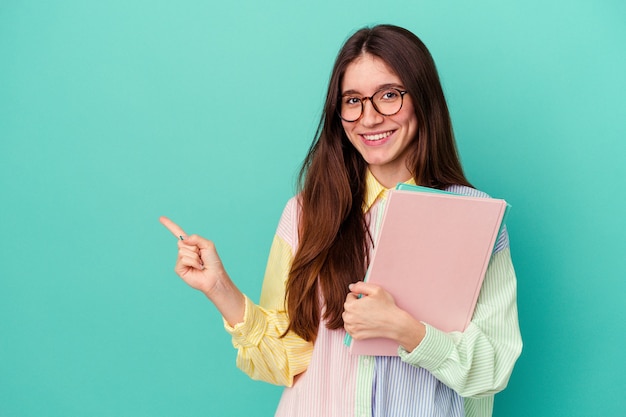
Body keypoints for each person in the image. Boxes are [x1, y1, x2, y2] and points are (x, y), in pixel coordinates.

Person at [160, 24, 522, 417]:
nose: (368, 118)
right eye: (353, 101)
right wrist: (220, 289)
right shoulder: (305, 214)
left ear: (423, 100)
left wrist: (407, 331)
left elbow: (494, 367)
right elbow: (285, 359)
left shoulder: (475, 217)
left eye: (388, 95)